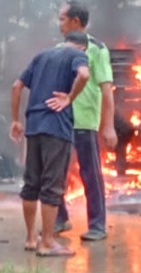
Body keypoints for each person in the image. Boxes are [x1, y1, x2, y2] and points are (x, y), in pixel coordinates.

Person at [10, 31, 90, 257]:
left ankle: (30, 238)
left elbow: (16, 86)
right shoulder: (77, 55)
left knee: (31, 184)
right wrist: (69, 98)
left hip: (33, 126)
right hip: (56, 128)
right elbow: (83, 75)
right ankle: (47, 242)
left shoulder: (41, 56)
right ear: (82, 47)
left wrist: (16, 120)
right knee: (52, 186)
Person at [53, 1, 116, 242]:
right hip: (61, 120)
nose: (59, 24)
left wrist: (107, 126)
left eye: (62, 19)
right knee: (55, 172)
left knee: (91, 174)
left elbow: (107, 90)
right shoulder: (59, 49)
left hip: (86, 121)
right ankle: (60, 219)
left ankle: (97, 225)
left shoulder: (98, 49)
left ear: (75, 21)